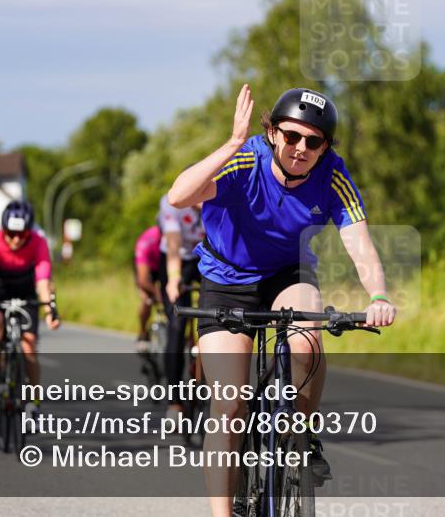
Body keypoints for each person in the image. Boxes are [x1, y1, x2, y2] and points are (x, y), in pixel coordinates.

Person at [167, 85, 397, 517]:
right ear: (272, 133)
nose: (301, 148)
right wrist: (232, 142)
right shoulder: (245, 158)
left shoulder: (332, 174)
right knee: (229, 405)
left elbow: (360, 244)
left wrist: (379, 296)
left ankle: (301, 435)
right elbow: (179, 196)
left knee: (308, 341)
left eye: (314, 141)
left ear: (325, 146)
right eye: (291, 136)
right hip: (225, 278)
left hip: (288, 274)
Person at [0, 200, 61, 413]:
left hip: (26, 289)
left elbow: (43, 283)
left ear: (30, 231)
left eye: (22, 234)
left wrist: (50, 312)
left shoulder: (38, 243)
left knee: (29, 345)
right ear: (4, 230)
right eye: (11, 233)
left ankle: (34, 404)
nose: (17, 239)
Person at [158, 193, 205, 420]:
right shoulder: (173, 202)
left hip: (208, 258)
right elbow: (174, 244)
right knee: (176, 328)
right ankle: (174, 401)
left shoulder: (220, 195)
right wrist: (174, 278)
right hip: (178, 260)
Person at [133, 221, 164, 354]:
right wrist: (157, 294)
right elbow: (143, 279)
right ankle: (143, 331)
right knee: (147, 299)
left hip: (164, 265)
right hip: (147, 268)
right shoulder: (147, 240)